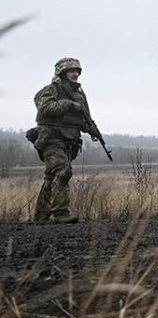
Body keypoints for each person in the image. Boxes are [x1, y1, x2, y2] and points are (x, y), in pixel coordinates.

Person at [27, 57, 98, 223]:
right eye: (71, 71)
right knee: (63, 171)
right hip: (50, 138)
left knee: (51, 177)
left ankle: (41, 217)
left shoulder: (79, 94)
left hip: (68, 140)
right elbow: (44, 110)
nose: (75, 74)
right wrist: (68, 104)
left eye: (77, 71)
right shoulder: (50, 90)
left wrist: (91, 129)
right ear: (62, 72)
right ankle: (61, 214)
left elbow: (83, 117)